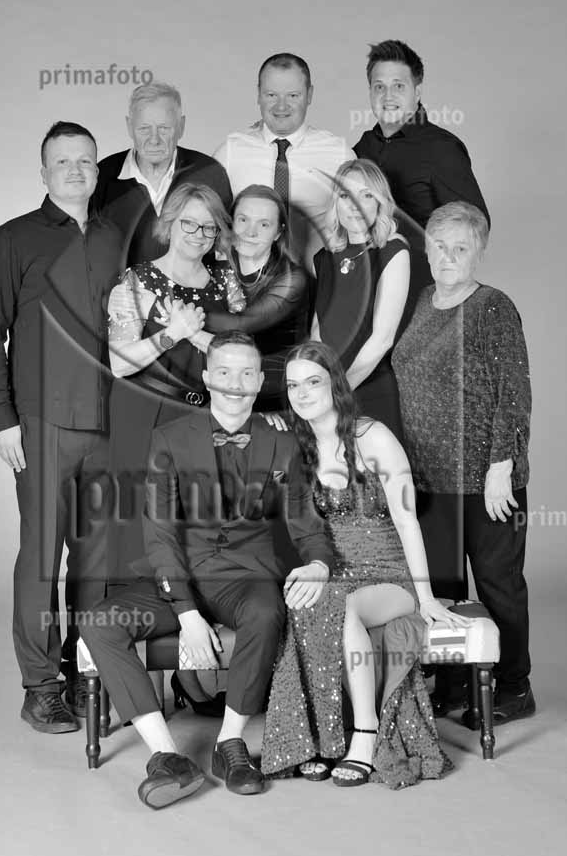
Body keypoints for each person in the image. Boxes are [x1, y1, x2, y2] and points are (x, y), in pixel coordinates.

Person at [80, 331, 334, 808]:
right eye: (224, 372)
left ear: (259, 382)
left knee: (266, 611)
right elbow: (159, 533)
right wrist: (186, 612)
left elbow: (307, 525)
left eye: (246, 373)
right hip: (177, 576)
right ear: (206, 378)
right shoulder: (169, 439)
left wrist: (319, 562)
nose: (235, 383)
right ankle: (166, 757)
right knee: (99, 623)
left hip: (245, 577)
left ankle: (229, 745)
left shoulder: (283, 445)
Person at [261, 342, 466, 788]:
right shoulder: (298, 447)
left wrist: (426, 596)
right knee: (306, 600)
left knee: (342, 605)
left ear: (335, 384)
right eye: (293, 385)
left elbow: (407, 520)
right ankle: (317, 739)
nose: (301, 393)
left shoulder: (373, 437)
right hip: (337, 571)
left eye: (313, 382)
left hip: (390, 575)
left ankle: (366, 734)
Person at [0, 121, 122, 732]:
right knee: (41, 556)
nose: (75, 170)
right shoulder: (13, 238)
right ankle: (40, 686)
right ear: (44, 172)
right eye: (63, 162)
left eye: (85, 161)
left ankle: (85, 670)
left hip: (108, 422)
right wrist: (1, 417)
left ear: (97, 169)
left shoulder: (116, 237)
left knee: (96, 559)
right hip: (40, 422)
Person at [392, 202, 534, 725]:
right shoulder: (422, 301)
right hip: (430, 479)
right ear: (426, 249)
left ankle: (514, 687)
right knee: (444, 588)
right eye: (440, 246)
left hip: (485, 479)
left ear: (479, 253)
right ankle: (453, 685)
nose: (449, 256)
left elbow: (513, 393)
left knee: (498, 584)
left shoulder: (493, 307)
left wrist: (502, 466)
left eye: (461, 248)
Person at [104, 183, 235, 592]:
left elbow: (239, 357)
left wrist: (198, 337)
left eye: (209, 228)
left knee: (198, 522)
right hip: (145, 412)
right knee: (138, 521)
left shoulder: (228, 282)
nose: (198, 235)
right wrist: (172, 333)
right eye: (188, 223)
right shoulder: (136, 282)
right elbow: (119, 364)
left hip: (203, 415)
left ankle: (192, 618)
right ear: (169, 223)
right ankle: (134, 616)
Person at [353, 40, 489, 322]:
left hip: (423, 301)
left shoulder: (441, 148)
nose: (388, 95)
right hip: (368, 295)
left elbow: (475, 225)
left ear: (417, 91)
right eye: (379, 86)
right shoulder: (363, 147)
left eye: (398, 86)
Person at [214, 53, 354, 271]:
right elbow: (210, 223)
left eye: (293, 95)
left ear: (309, 95)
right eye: (271, 95)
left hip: (317, 282)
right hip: (247, 283)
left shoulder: (339, 154)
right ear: (258, 95)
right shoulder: (230, 152)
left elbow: (358, 228)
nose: (281, 106)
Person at [312, 158, 410, 438]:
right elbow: (318, 331)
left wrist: (339, 393)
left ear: (380, 203)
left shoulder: (392, 251)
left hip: (367, 388)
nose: (354, 205)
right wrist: (314, 385)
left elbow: (383, 339)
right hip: (326, 390)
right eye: (345, 195)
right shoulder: (325, 258)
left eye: (366, 195)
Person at [94, 81, 232, 268]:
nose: (154, 139)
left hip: (197, 286)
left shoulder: (209, 173)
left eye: (164, 128)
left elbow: (225, 249)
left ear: (181, 126)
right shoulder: (103, 177)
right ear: (129, 126)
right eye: (144, 129)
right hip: (121, 287)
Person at [203, 184, 309, 409]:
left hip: (271, 393)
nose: (250, 232)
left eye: (264, 224)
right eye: (243, 220)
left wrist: (183, 321)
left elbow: (239, 327)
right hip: (218, 386)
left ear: (278, 233)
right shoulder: (212, 262)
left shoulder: (292, 279)